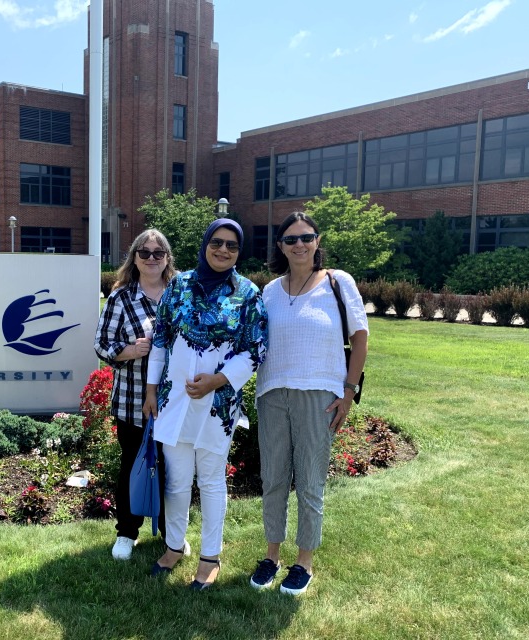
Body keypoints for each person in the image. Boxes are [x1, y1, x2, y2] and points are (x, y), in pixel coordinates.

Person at [143, 219, 268, 590]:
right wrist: (151, 392)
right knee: (177, 481)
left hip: (218, 403)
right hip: (174, 400)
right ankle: (174, 546)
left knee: (212, 481)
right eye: (217, 242)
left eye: (232, 245)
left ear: (238, 251)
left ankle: (210, 556)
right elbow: (161, 342)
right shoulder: (178, 286)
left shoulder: (247, 294)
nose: (223, 250)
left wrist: (217, 380)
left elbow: (255, 350)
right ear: (205, 244)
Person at [249, 211, 368, 596]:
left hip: (319, 394)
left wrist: (348, 391)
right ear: (280, 246)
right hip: (271, 394)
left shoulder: (337, 282)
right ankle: (271, 555)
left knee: (310, 480)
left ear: (317, 242)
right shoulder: (269, 291)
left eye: (306, 237)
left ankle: (304, 562)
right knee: (274, 480)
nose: (299, 245)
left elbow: (361, 337)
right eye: (290, 239)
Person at [95, 229, 176, 561]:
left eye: (159, 253)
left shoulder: (180, 295)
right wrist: (130, 350)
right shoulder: (121, 298)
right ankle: (127, 532)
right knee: (133, 466)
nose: (152, 259)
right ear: (135, 258)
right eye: (145, 253)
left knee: (174, 469)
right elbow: (102, 345)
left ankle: (173, 532)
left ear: (167, 258)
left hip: (176, 401)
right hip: (132, 400)